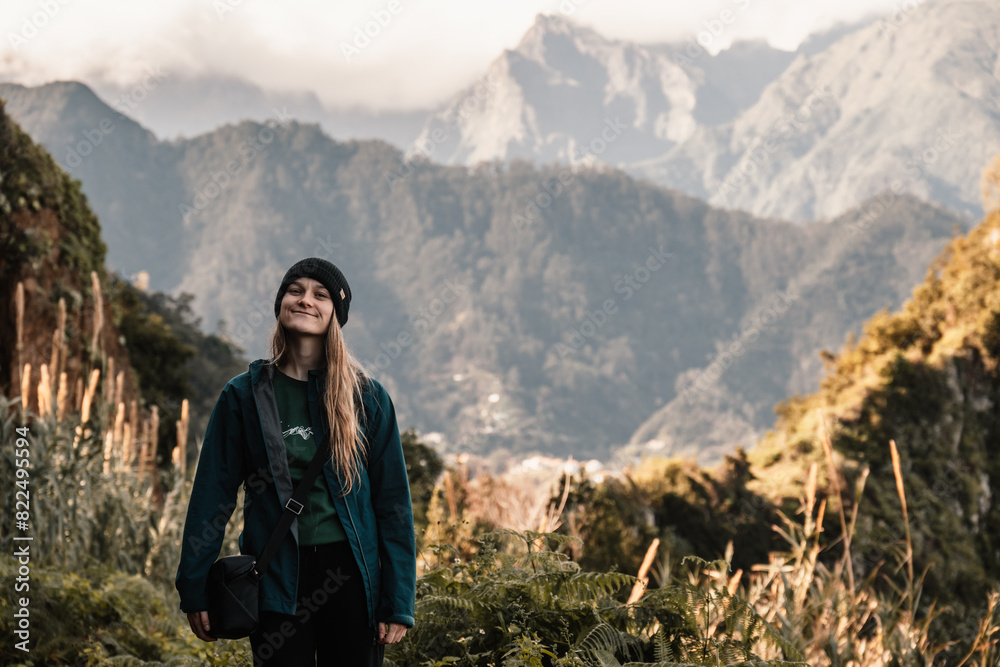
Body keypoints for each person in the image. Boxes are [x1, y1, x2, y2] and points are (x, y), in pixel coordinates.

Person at [175, 257, 416, 666]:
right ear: (280, 303)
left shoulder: (367, 399)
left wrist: (398, 600)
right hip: (275, 576)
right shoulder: (243, 396)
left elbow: (392, 505)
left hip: (353, 578)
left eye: (320, 295)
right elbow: (212, 497)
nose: (305, 300)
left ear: (335, 315)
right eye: (295, 291)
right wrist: (194, 587)